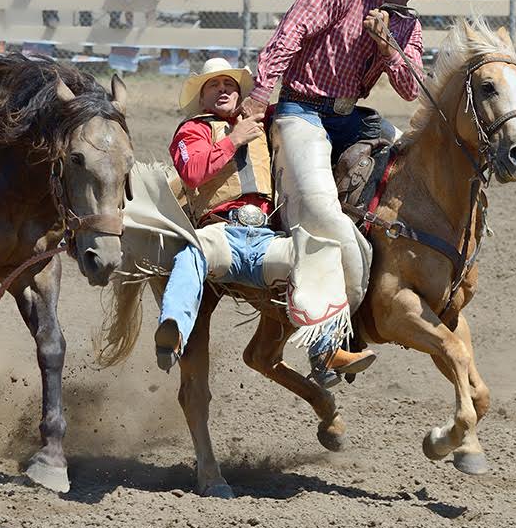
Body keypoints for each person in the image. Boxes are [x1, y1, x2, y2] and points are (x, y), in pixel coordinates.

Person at [239, 0, 444, 372]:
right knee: (322, 213)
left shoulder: (407, 24)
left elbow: (412, 90)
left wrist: (388, 46)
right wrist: (260, 93)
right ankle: (330, 337)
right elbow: (289, 34)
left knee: (413, 168)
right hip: (302, 107)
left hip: (353, 116)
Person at [157, 57, 377, 384]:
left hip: (265, 238)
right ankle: (173, 329)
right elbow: (191, 172)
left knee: (320, 255)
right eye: (213, 85)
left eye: (228, 84)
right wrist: (234, 138)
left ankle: (327, 350)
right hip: (219, 233)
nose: (222, 90)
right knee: (191, 255)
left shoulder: (263, 121)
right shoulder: (192, 130)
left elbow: (300, 119)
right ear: (201, 98)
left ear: (240, 94)